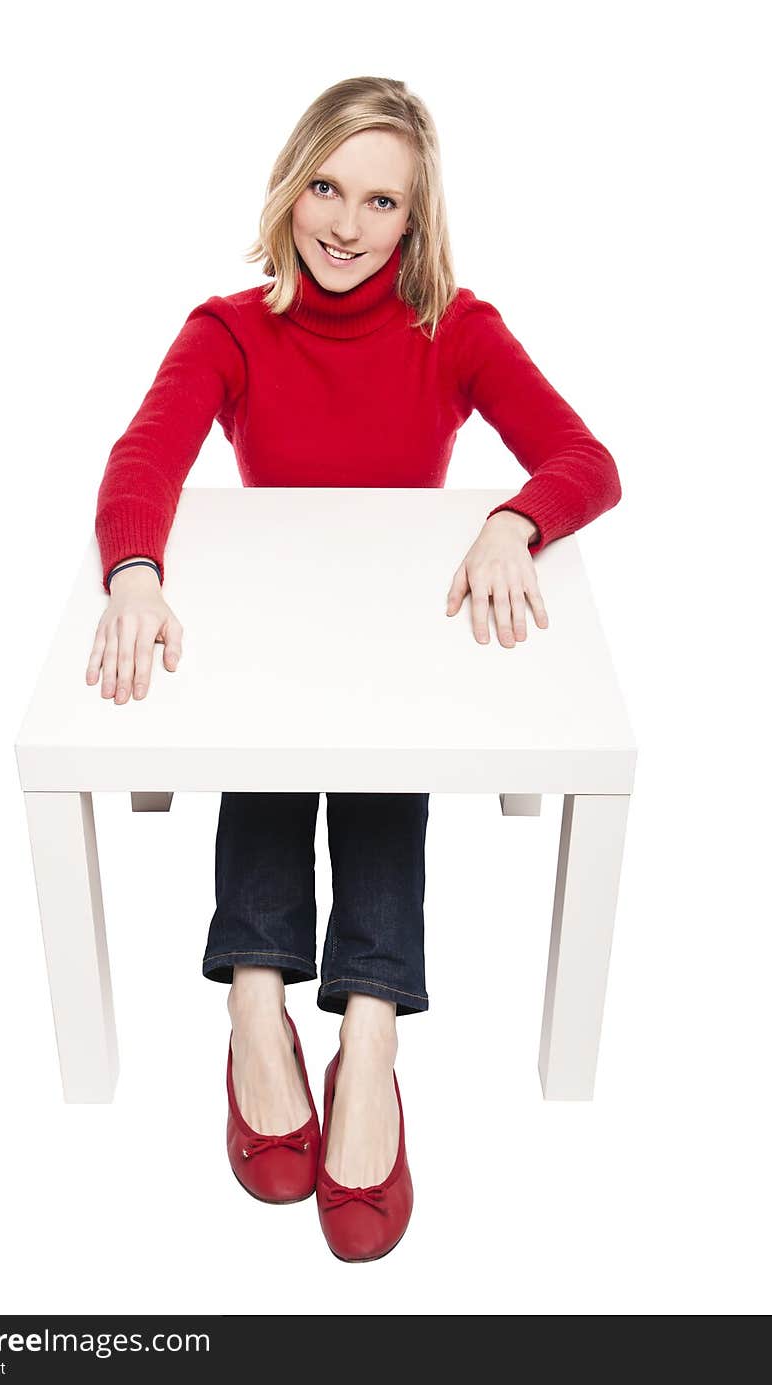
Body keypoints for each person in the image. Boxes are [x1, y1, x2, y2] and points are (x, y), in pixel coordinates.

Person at [86, 76, 622, 1262]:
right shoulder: (227, 326)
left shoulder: (456, 326)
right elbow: (146, 455)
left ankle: (369, 1033)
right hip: (276, 625)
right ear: (291, 188)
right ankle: (255, 1001)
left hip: (393, 629)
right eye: (326, 186)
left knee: (384, 752)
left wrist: (512, 519)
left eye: (380, 200)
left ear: (414, 220)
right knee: (272, 742)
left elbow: (585, 457)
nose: (344, 223)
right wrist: (132, 568)